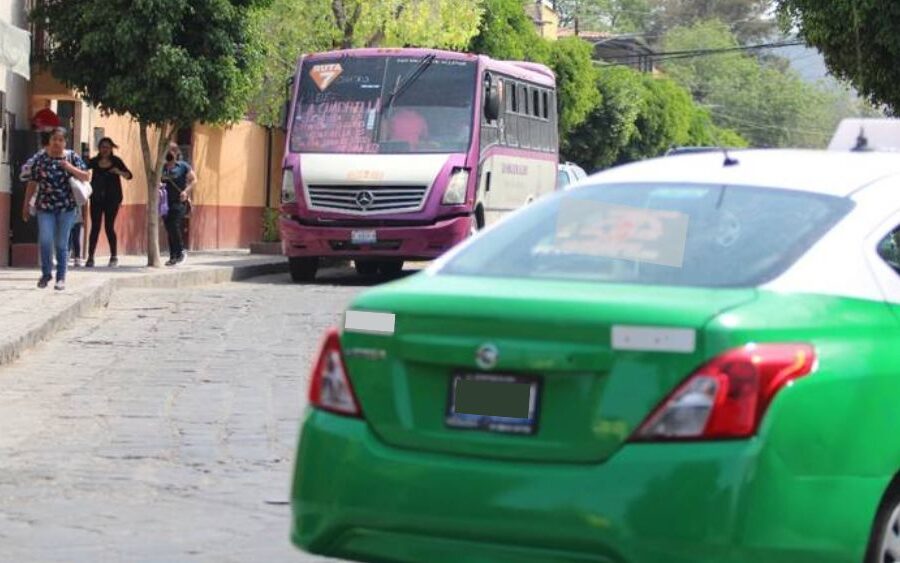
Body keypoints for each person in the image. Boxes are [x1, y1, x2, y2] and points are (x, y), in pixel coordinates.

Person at [20, 127, 91, 290]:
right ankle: (46, 273)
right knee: (45, 240)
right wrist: (25, 205)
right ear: (49, 141)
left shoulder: (72, 157)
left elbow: (87, 176)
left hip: (67, 208)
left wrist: (69, 167)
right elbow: (32, 182)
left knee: (61, 243)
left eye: (60, 140)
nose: (57, 143)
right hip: (44, 207)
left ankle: (61, 277)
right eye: (54, 139)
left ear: (65, 142)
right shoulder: (40, 159)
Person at [86, 137, 132, 267]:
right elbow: (83, 168)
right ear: (99, 148)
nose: (104, 149)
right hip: (96, 198)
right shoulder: (94, 162)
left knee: (109, 226)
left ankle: (113, 256)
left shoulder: (116, 161)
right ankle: (90, 257)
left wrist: (118, 171)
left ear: (111, 148)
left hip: (112, 199)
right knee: (95, 227)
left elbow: (129, 176)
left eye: (107, 147)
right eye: (102, 147)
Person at [161, 143, 196, 266]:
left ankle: (181, 251)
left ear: (176, 153)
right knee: (169, 228)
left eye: (172, 150)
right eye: (167, 149)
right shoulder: (162, 167)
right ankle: (173, 256)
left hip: (179, 201)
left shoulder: (183, 166)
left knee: (173, 225)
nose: (169, 152)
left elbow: (194, 179)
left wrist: (186, 191)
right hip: (165, 203)